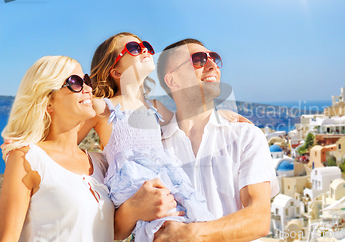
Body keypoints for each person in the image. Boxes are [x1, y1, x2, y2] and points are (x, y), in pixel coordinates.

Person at [80, 32, 246, 241]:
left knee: (190, 218)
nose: (145, 50)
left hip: (165, 179)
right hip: (133, 183)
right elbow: (67, 137)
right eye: (133, 48)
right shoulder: (103, 107)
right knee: (163, 227)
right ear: (115, 71)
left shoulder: (155, 107)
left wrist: (217, 114)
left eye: (146, 46)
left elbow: (184, 120)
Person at [152, 39, 279, 242]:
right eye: (199, 59)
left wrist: (192, 234)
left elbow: (259, 218)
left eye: (215, 58)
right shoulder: (154, 148)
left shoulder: (246, 137)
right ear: (173, 80)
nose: (213, 65)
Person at [0, 56, 114, 241]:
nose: (88, 88)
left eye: (86, 80)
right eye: (75, 82)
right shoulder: (27, 158)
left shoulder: (101, 163)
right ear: (48, 102)